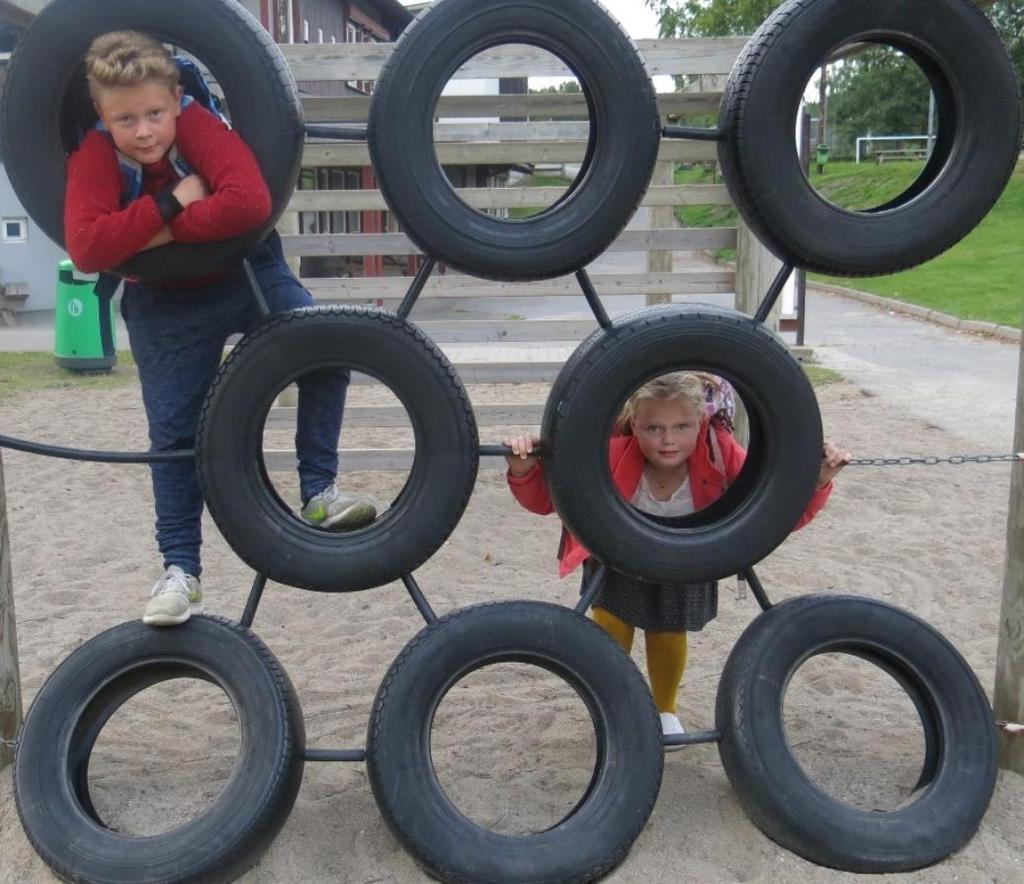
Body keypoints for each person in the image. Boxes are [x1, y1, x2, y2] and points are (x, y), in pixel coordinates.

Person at [64, 31, 376, 627]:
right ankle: (181, 570)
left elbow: (248, 204)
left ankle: (318, 492)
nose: (146, 131)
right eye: (126, 119)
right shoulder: (96, 155)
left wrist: (143, 236)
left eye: (155, 113)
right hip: (164, 304)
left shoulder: (197, 121)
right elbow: (86, 247)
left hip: (245, 269)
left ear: (175, 99)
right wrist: (172, 203)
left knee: (325, 348)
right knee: (176, 438)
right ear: (102, 116)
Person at [505, 372, 849, 738]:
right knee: (610, 625)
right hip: (617, 554)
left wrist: (818, 481)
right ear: (633, 424)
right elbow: (553, 500)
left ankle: (665, 710)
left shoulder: (720, 450)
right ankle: (615, 704)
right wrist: (524, 469)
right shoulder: (610, 453)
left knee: (668, 630)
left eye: (681, 426)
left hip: (686, 555)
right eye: (653, 428)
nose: (668, 440)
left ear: (700, 421)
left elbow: (774, 515)